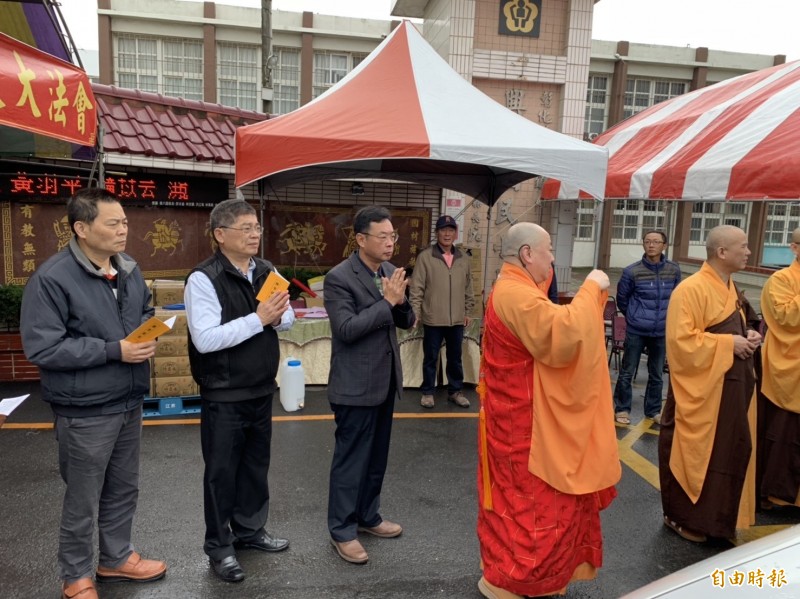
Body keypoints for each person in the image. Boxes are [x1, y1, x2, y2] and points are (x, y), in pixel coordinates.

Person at [20, 188, 167, 599]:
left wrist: (145, 332)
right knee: (83, 498)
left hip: (128, 399)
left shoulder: (129, 269)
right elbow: (43, 347)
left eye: (124, 221)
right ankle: (76, 576)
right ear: (82, 229)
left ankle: (116, 559)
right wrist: (114, 349)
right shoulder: (52, 278)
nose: (124, 230)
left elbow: (144, 310)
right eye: (113, 223)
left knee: (124, 487)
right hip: (84, 408)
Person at [477, 222, 620, 599]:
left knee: (518, 504)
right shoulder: (516, 294)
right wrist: (591, 287)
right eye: (549, 250)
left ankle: (510, 575)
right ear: (527, 254)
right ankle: (520, 580)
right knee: (537, 507)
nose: (553, 258)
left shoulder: (515, 288)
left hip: (514, 417)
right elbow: (564, 336)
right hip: (526, 427)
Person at [185, 199, 294, 583]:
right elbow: (206, 339)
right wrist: (258, 318)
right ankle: (219, 546)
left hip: (261, 388)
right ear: (220, 235)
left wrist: (278, 317)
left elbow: (288, 317)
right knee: (221, 473)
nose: (254, 234)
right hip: (224, 392)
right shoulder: (204, 278)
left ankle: (250, 531)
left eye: (256, 228)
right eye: (245, 228)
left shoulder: (266, 269)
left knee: (254, 467)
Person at [324, 206, 415, 565]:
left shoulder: (391, 272)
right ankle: (342, 530)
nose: (390, 242)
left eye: (393, 236)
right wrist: (387, 301)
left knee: (377, 457)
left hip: (384, 380)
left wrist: (402, 301)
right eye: (383, 236)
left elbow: (405, 321)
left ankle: (368, 516)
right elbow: (346, 329)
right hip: (354, 385)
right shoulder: (340, 278)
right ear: (361, 239)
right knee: (351, 460)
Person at [659, 225, 761, 543]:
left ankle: (718, 522)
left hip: (729, 391)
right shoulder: (690, 290)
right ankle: (682, 518)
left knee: (728, 453)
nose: (748, 252)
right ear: (721, 252)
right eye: (743, 247)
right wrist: (727, 344)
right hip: (701, 394)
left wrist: (749, 335)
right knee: (698, 455)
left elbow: (738, 324)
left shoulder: (730, 287)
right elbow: (680, 344)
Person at [613, 230, 681, 425]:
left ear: (664, 246)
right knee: (627, 371)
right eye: (647, 241)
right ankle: (622, 409)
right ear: (643, 244)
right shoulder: (631, 271)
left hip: (661, 330)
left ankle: (653, 410)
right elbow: (622, 300)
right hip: (637, 329)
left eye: (656, 242)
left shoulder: (673, 270)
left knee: (657, 373)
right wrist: (635, 317)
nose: (651, 245)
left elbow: (677, 298)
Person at [409, 214, 475, 409]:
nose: (447, 233)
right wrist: (415, 311)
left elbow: (469, 287)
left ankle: (455, 391)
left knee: (455, 357)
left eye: (450, 230)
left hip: (456, 318)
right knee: (430, 357)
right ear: (437, 233)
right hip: (432, 317)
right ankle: (428, 392)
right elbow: (417, 288)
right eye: (443, 230)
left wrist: (468, 310)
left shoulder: (463, 258)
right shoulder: (425, 257)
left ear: (455, 234)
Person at [758, 227, 800, 508]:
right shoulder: (781, 280)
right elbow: (785, 317)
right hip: (789, 367)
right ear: (795, 247)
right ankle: (776, 495)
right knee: (784, 434)